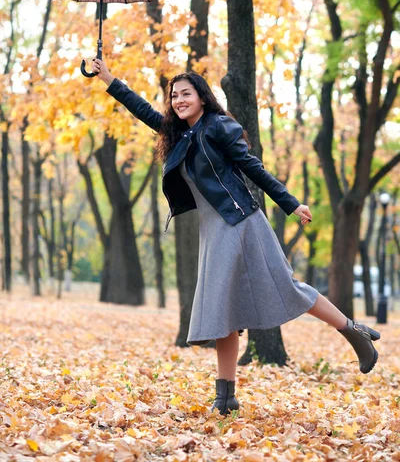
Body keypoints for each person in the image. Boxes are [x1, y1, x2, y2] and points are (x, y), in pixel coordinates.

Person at [89, 58, 381, 416]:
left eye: (186, 93)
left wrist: (290, 204)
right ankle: (225, 397)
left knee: (286, 287)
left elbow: (251, 167)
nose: (179, 100)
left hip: (241, 222)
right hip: (214, 229)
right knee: (222, 309)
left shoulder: (219, 126)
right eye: (174, 96)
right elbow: (144, 111)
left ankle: (354, 332)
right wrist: (109, 79)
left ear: (201, 96)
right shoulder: (179, 134)